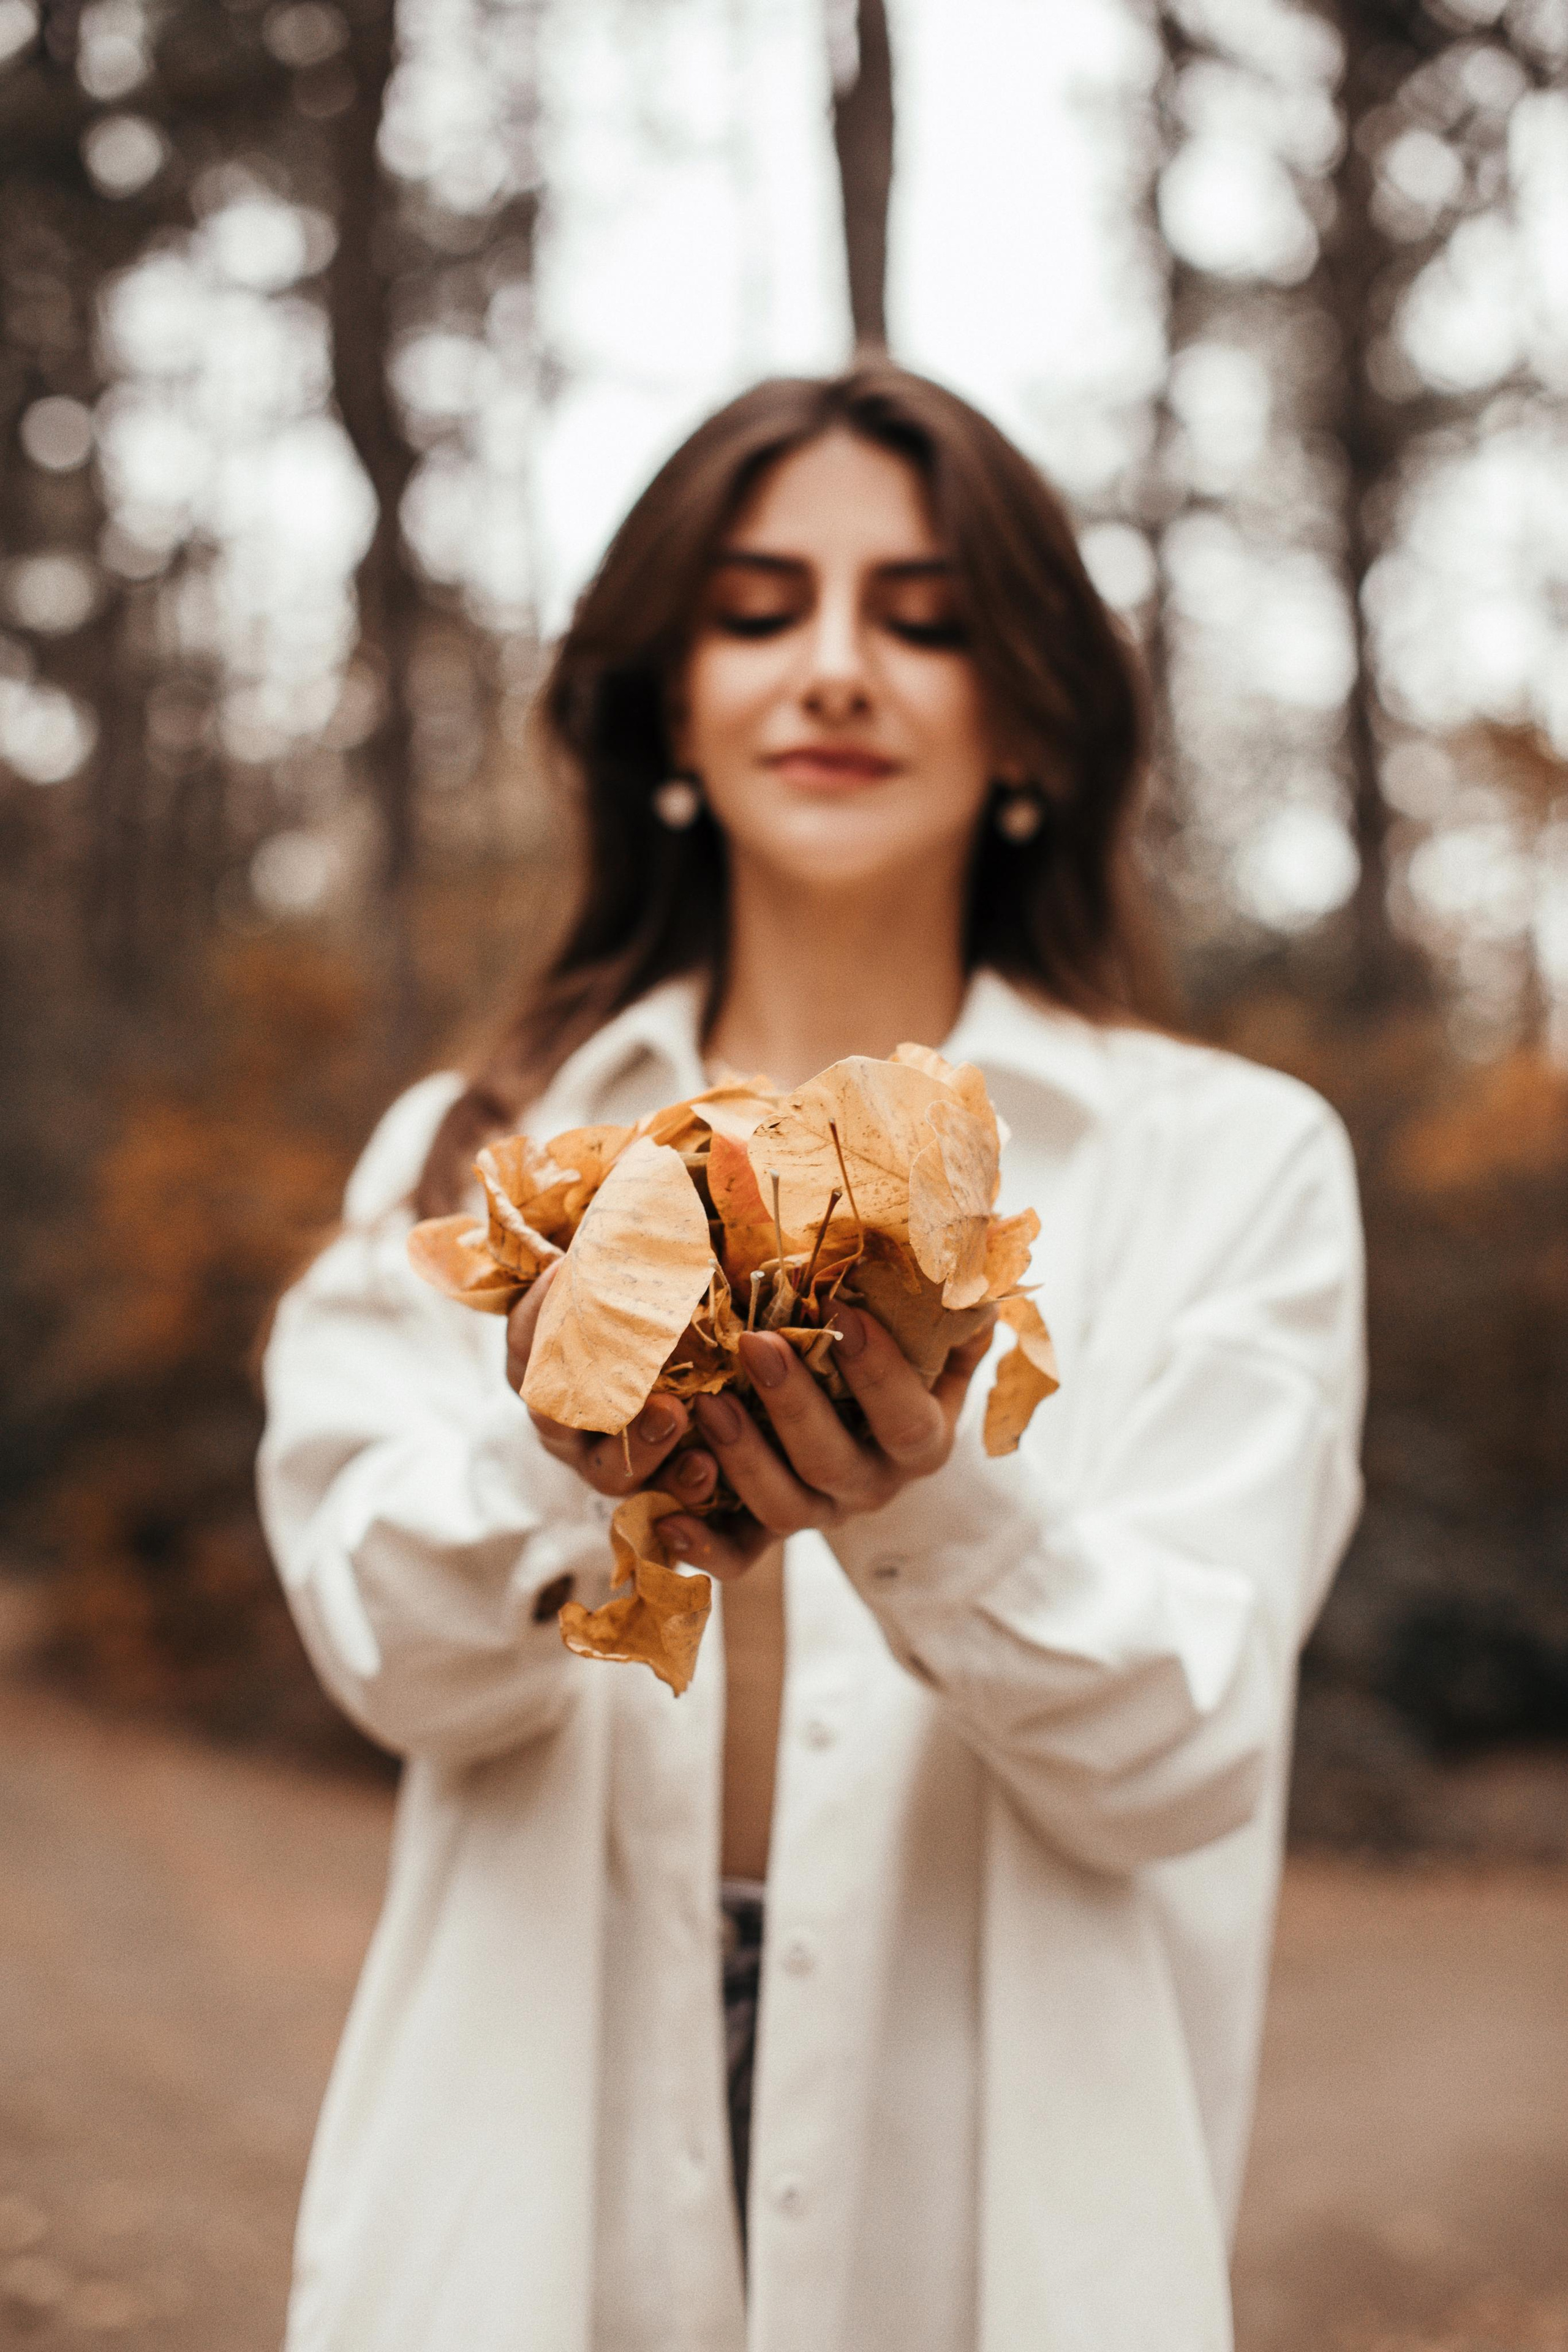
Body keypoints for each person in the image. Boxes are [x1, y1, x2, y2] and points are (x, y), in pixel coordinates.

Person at [258, 365, 1365, 2352]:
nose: (837, 668)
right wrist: (551, 1446)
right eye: (761, 611)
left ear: (1029, 720)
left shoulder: (1231, 1163)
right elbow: (387, 1656)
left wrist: (934, 1500)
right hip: (525, 2200)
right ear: (669, 713)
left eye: (923, 620)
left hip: (995, 2219)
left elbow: (1187, 1748)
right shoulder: (474, 1158)